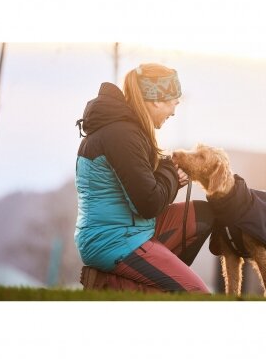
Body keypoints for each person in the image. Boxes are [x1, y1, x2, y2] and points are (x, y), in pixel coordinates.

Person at [74, 63, 214, 293]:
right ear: (157, 100)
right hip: (113, 240)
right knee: (197, 295)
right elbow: (148, 204)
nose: (174, 111)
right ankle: (109, 282)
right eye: (173, 102)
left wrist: (169, 173)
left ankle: (155, 277)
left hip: (134, 228)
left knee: (203, 216)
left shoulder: (128, 131)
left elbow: (147, 192)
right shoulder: (122, 134)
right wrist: (170, 173)